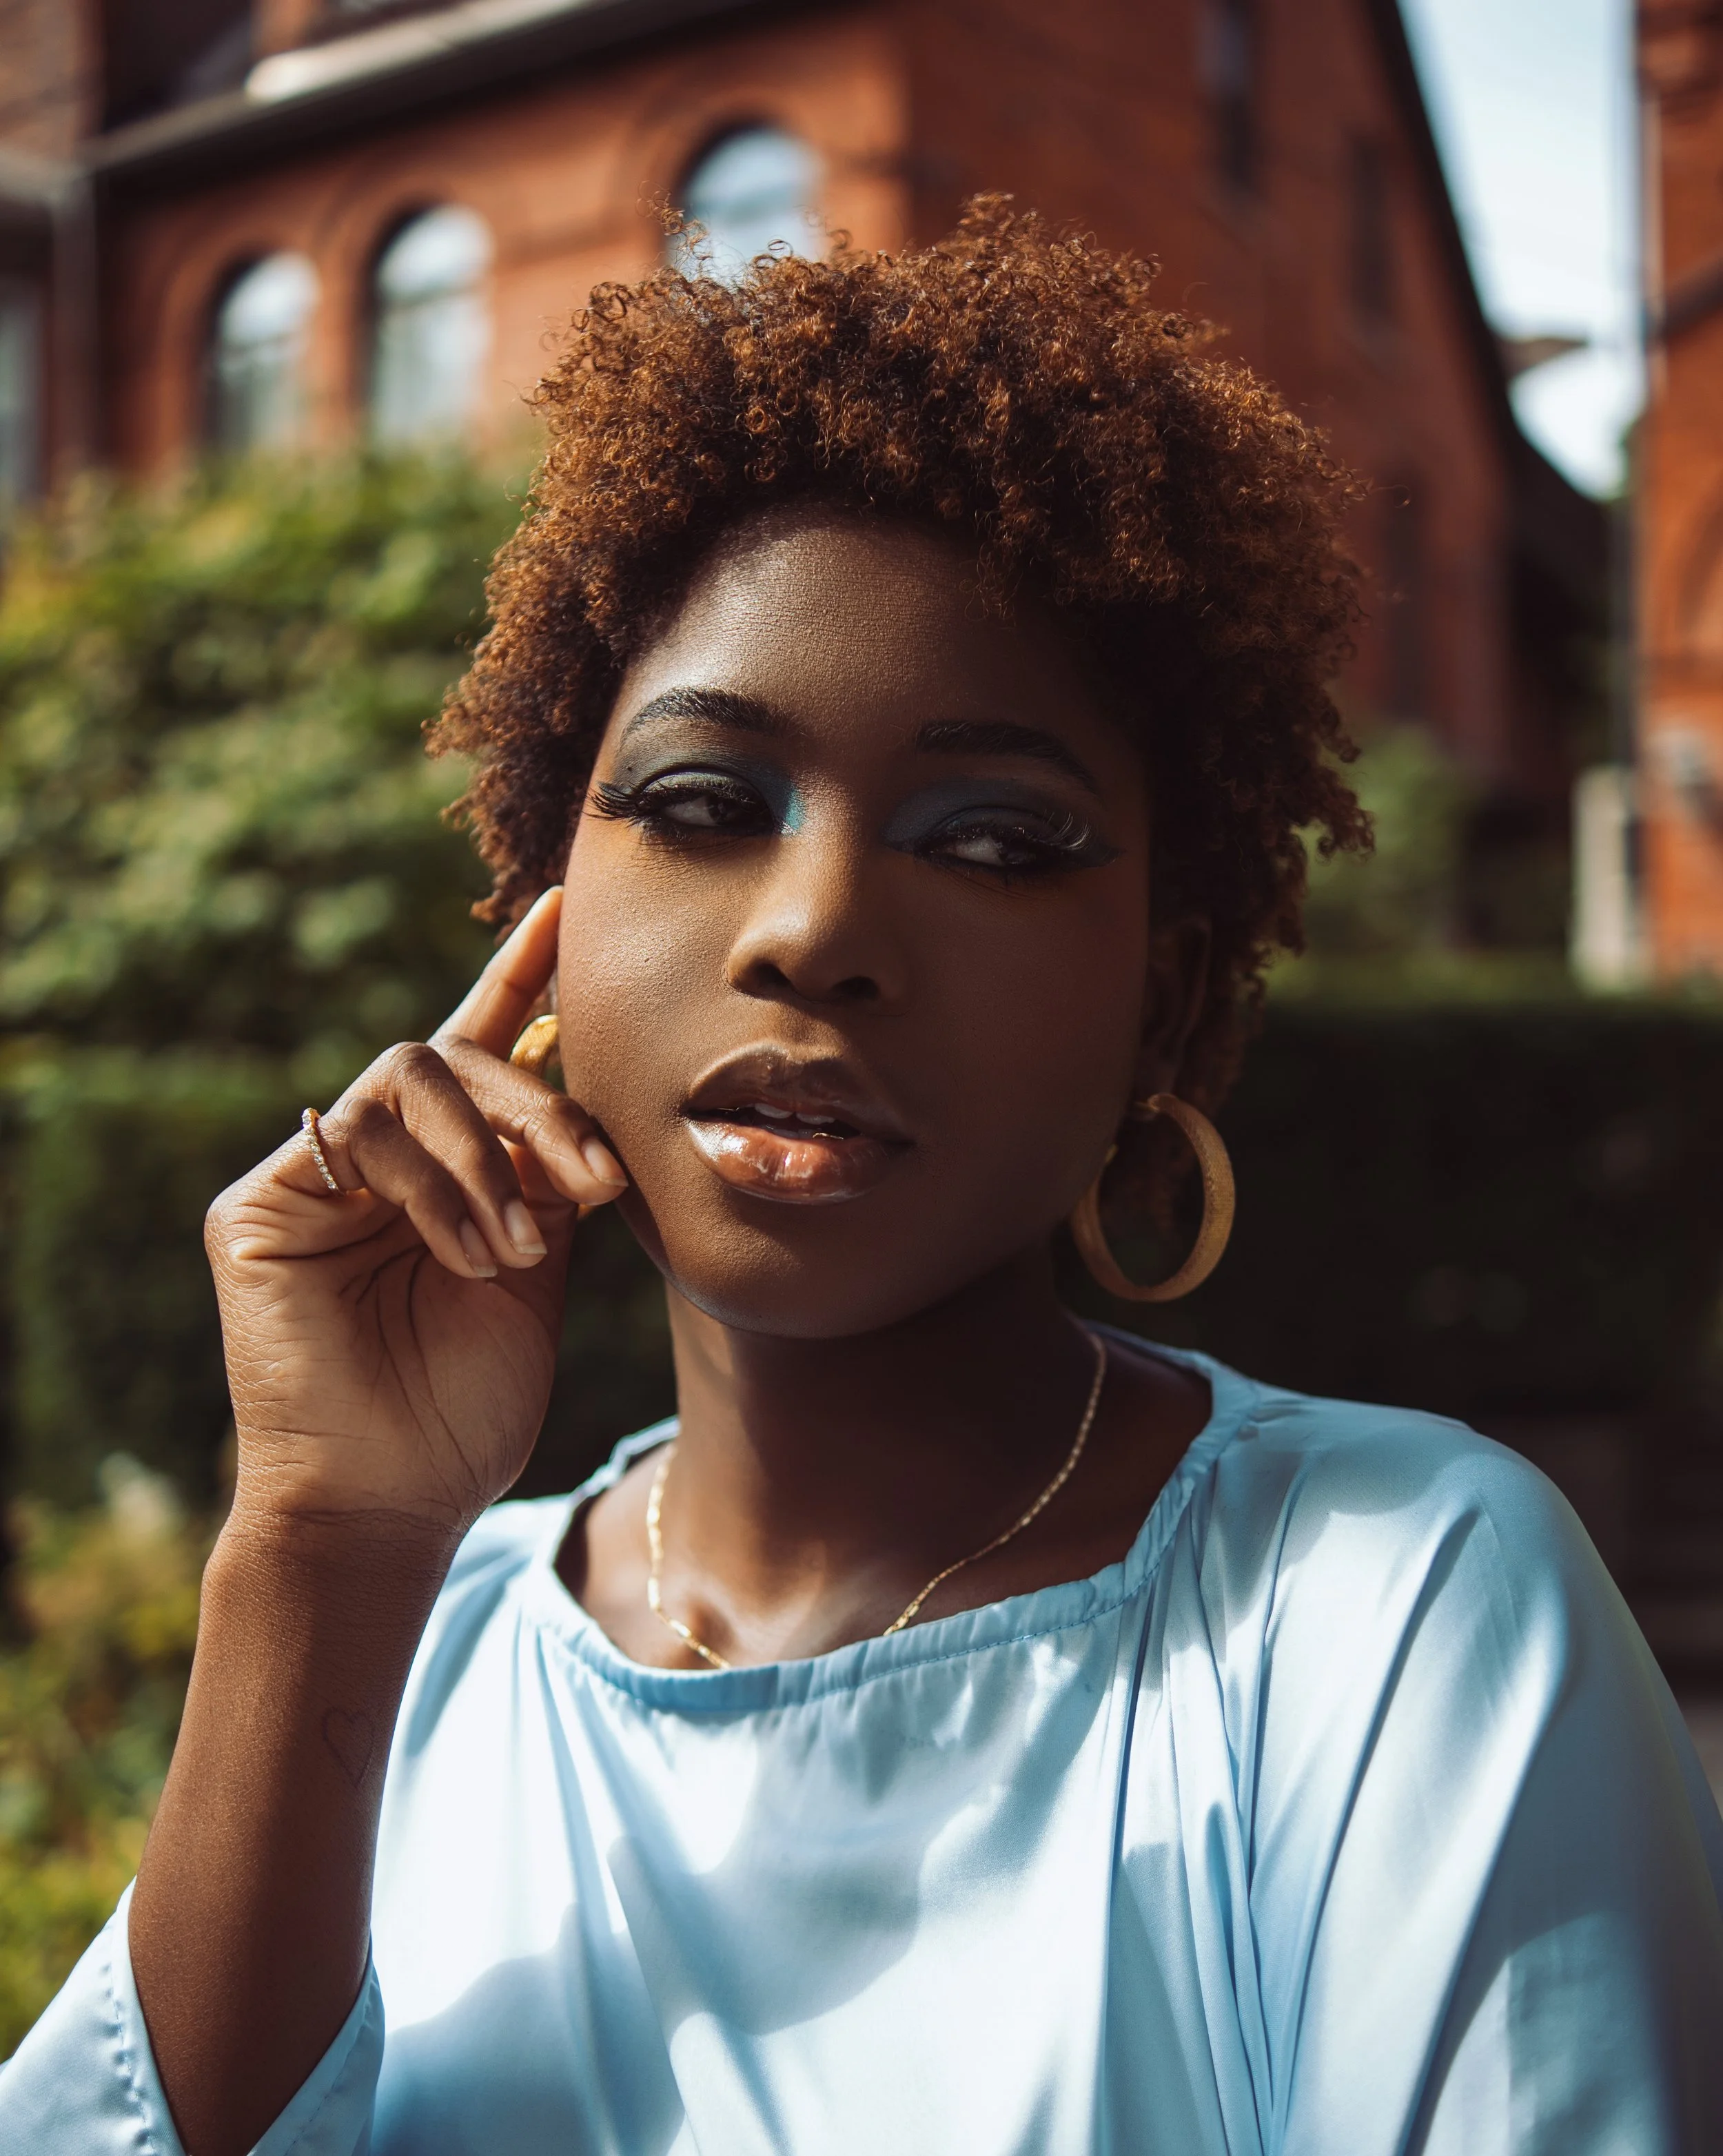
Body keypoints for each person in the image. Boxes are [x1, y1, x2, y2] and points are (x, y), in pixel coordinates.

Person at [4, 199, 1720, 2156]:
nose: (814, 928)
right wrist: (314, 1544)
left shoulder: (1386, 1606)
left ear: (1161, 1013)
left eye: (993, 837)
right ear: (544, 931)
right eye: (704, 805)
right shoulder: (419, 1632)